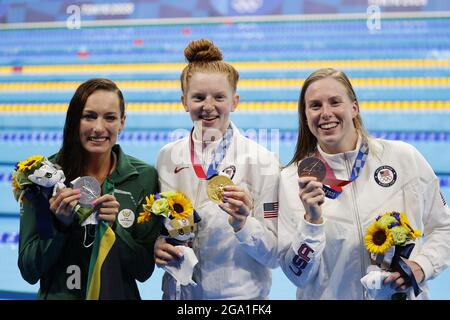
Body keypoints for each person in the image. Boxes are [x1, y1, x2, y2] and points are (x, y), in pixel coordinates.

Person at [278, 68, 450, 299]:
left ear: (354, 108)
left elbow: (444, 227)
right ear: (306, 116)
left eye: (335, 102)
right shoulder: (291, 181)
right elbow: (296, 275)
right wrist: (312, 222)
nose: (326, 113)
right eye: (315, 106)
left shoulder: (403, 158)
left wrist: (423, 266)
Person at [155, 39, 280, 299]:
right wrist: (156, 245)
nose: (208, 106)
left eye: (219, 97)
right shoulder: (167, 157)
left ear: (234, 101)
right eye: (198, 97)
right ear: (184, 102)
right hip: (179, 296)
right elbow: (158, 227)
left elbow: (274, 255)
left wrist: (244, 223)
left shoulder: (262, 161)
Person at [18, 78, 161, 299]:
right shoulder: (41, 178)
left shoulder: (143, 178)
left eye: (110, 118)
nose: (98, 128)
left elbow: (143, 270)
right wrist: (60, 226)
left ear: (122, 122)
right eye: (89, 116)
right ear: (75, 120)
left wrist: (115, 230)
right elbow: (29, 269)